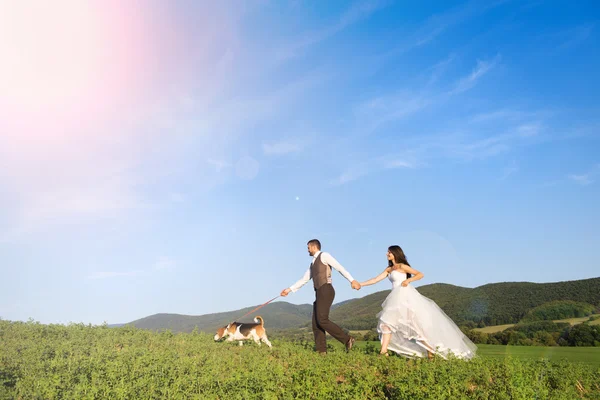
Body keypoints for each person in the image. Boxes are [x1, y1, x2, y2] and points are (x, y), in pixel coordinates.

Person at [358, 245, 477, 359]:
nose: (387, 254)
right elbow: (375, 279)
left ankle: (430, 350)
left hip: (404, 297)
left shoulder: (402, 266)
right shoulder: (389, 269)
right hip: (394, 298)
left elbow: (420, 274)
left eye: (389, 252)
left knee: (414, 327)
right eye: (387, 252)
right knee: (386, 324)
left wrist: (408, 280)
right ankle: (383, 352)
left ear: (395, 253)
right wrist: (360, 284)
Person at [281, 239, 361, 354]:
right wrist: (289, 290)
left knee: (322, 319)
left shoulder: (324, 256)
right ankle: (321, 351)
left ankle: (347, 339)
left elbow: (339, 267)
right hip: (319, 292)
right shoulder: (312, 264)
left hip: (326, 289)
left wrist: (352, 280)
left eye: (308, 248)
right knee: (316, 322)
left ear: (314, 247)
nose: (307, 250)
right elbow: (304, 279)